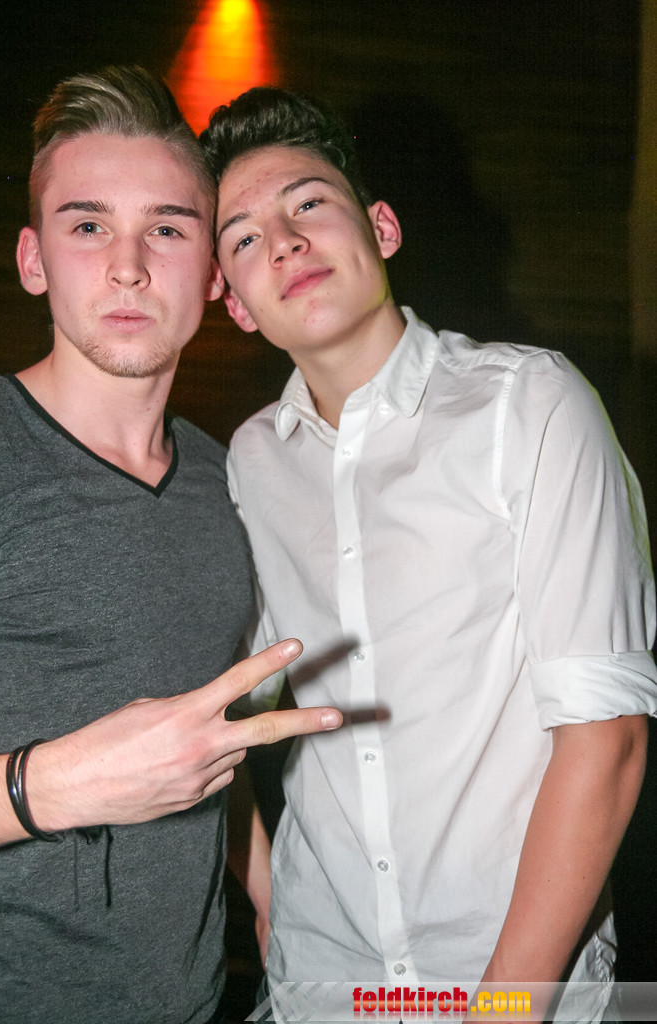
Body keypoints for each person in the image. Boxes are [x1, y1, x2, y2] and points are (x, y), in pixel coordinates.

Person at [199, 87, 657, 1022]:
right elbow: (219, 718)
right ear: (237, 306)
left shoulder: (530, 405)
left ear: (382, 227)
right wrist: (267, 897)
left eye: (308, 202)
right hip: (325, 989)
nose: (282, 241)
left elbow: (606, 739)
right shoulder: (249, 461)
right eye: (243, 238)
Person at [0, 69, 342, 1024]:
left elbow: (202, 739)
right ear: (33, 258)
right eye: (88, 225)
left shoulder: (234, 480)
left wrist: (271, 892)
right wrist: (56, 785)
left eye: (169, 230)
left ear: (214, 276)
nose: (129, 267)